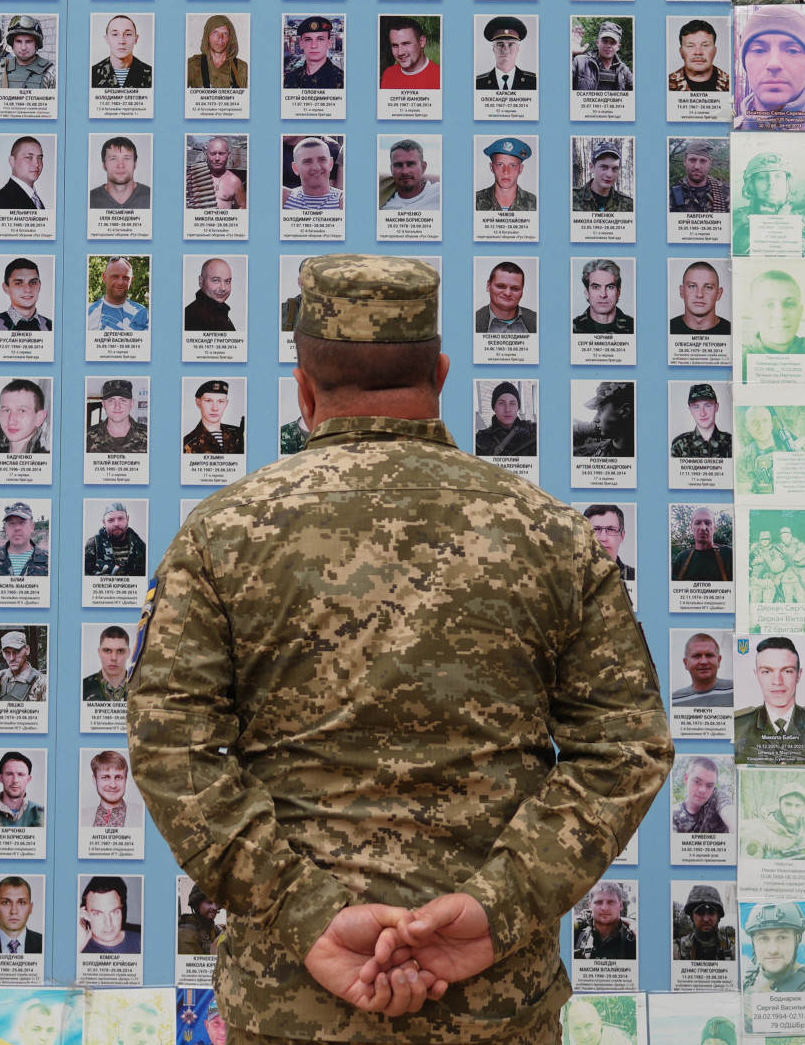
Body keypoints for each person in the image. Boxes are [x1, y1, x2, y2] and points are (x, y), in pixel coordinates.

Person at [125, 253, 669, 1033]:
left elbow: (172, 746)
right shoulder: (552, 535)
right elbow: (626, 747)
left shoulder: (222, 537)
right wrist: (498, 907)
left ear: (304, 387)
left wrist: (301, 908)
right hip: (494, 1007)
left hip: (295, 1001)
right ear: (441, 374)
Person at [734, 636, 805, 765]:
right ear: (757, 675)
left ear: (799, 674)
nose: (777, 681)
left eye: (787, 671)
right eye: (767, 671)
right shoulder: (738, 726)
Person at [740, 902, 805, 1026]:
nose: (773, 949)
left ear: (797, 939)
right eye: (764, 938)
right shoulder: (748, 977)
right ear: (753, 942)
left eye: (782, 937)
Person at [78, 875, 142, 954]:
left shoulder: (142, 942)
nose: (108, 923)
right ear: (85, 913)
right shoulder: (78, 949)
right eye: (97, 913)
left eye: (114, 912)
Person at [571, 882, 634, 960]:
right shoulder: (575, 935)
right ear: (590, 905)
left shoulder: (634, 938)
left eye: (611, 902)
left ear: (620, 905)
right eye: (598, 902)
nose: (604, 908)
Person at [473, 381, 536, 458]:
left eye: (512, 403)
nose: (507, 409)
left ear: (518, 408)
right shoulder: (480, 441)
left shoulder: (534, 432)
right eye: (502, 403)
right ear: (494, 408)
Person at [91, 13, 153, 91]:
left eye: (128, 34)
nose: (121, 41)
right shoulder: (92, 74)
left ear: (136, 39)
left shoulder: (151, 74)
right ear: (106, 39)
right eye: (115, 34)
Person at [0, 15, 57, 93]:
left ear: (36, 44)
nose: (23, 47)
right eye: (18, 41)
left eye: (29, 41)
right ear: (12, 44)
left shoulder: (51, 73)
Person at [672, 504, 732, 581]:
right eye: (697, 523)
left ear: (715, 528)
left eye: (708, 522)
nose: (703, 528)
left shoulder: (730, 555)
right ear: (691, 527)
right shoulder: (682, 558)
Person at [0, 877, 42, 954]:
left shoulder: (44, 943)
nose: (14, 911)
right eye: (6, 902)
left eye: (22, 903)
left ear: (30, 908)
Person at [0, 750, 43, 827]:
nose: (15, 780)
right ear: (1, 778)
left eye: (21, 774)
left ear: (29, 779)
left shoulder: (42, 815)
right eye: (9, 774)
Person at [0, 629, 47, 701]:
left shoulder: (42, 683)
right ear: (3, 654)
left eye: (17, 651)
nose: (12, 658)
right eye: (7, 652)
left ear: (27, 650)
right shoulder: (0, 677)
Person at [670, 756, 729, 834]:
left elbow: (730, 811)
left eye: (709, 785)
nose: (703, 790)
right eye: (697, 782)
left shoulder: (717, 799)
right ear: (686, 779)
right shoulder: (673, 814)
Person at [668, 382, 729, 458]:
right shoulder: (679, 445)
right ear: (690, 410)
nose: (702, 413)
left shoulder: (731, 443)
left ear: (716, 407)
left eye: (708, 406)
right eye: (696, 407)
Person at [183, 379, 243, 454]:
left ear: (226, 404)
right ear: (198, 402)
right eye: (208, 401)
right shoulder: (187, 444)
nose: (215, 408)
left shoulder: (239, 435)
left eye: (221, 401)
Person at [475, 17, 536, 91]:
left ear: (518, 48)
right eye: (500, 44)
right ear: (493, 48)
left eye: (511, 44)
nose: (505, 50)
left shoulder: (533, 82)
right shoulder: (478, 83)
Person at [669, 18, 727, 93]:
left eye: (705, 45)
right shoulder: (666, 85)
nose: (698, 52)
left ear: (715, 51)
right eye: (690, 46)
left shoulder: (732, 85)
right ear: (681, 52)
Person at [379, 17, 437, 91]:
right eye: (395, 45)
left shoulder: (439, 76)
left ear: (422, 42)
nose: (400, 52)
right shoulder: (389, 74)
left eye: (406, 44)